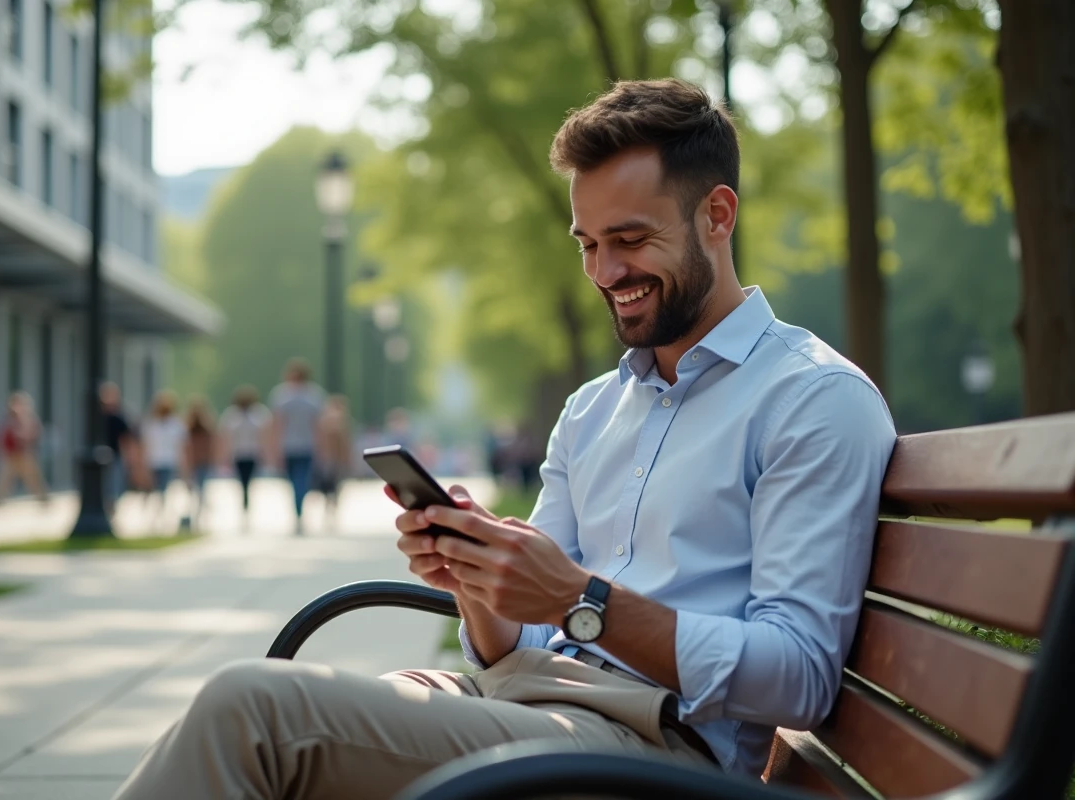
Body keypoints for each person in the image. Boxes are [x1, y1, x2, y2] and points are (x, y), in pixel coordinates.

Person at [112, 79, 897, 800]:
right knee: (257, 717)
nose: (605, 271)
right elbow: (509, 643)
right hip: (522, 699)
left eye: (629, 238)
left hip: (648, 750)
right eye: (587, 244)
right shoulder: (593, 410)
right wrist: (474, 582)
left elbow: (798, 678)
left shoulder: (813, 401)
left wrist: (580, 599)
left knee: (252, 710)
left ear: (717, 216)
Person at [269, 359, 325, 534]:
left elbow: (277, 425)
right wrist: (321, 447)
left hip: (290, 446)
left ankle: (298, 512)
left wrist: (275, 449)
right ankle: (300, 512)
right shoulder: (314, 395)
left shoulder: (281, 395)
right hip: (307, 445)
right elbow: (318, 426)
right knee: (302, 481)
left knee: (295, 482)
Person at [218, 385, 270, 517]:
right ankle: (244, 500)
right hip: (238, 454)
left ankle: (247, 500)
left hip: (253, 453)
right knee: (241, 480)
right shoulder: (232, 415)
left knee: (250, 479)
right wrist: (225, 455)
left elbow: (265, 434)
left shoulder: (258, 413)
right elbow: (226, 437)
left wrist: (266, 453)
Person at [139, 390, 188, 529]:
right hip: (154, 461)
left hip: (169, 461)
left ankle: (160, 516)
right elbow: (146, 445)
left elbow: (181, 447)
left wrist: (185, 466)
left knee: (163, 489)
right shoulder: (151, 424)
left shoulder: (176, 424)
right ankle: (156, 515)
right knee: (154, 490)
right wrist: (142, 465)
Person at [0, 391, 48, 503]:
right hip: (11, 454)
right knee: (5, 478)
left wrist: (24, 437)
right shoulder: (8, 419)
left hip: (24, 453)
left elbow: (35, 433)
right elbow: (1, 436)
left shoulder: (28, 418)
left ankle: (43, 497)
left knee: (33, 477)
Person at [313, 394, 352, 527]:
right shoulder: (337, 422)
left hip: (332, 459)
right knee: (334, 485)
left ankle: (330, 507)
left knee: (332, 485)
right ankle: (331, 507)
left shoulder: (326, 421)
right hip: (333, 459)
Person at [101, 382, 136, 515]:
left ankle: (111, 507)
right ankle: (107, 506)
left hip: (115, 455)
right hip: (101, 456)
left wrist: (129, 458)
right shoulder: (99, 417)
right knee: (106, 485)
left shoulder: (119, 418)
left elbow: (126, 440)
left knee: (116, 484)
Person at [184, 396, 216, 529]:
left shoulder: (203, 429)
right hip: (197, 463)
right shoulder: (189, 429)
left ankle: (198, 515)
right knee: (198, 490)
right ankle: (198, 514)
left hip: (200, 463)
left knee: (198, 490)